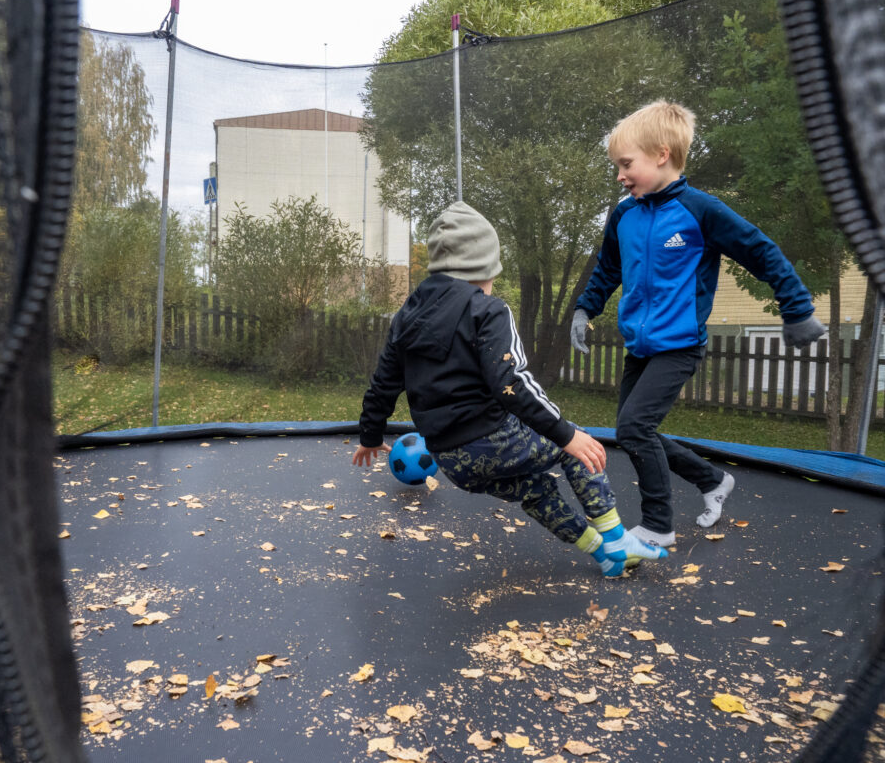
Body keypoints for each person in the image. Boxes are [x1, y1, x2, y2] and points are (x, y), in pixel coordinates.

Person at [353, 201, 667, 577]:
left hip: (451, 460)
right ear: (482, 269)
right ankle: (615, 536)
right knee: (579, 450)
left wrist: (370, 436)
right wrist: (566, 434)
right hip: (493, 439)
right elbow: (511, 382)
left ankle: (603, 554)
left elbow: (384, 382)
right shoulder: (487, 310)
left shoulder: (407, 315)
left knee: (535, 490)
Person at [571, 100, 825, 548]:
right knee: (635, 432)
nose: (620, 176)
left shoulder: (700, 210)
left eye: (626, 164)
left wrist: (797, 308)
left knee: (633, 429)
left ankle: (657, 526)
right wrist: (584, 309)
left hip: (681, 344)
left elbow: (761, 251)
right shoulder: (624, 214)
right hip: (641, 345)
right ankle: (711, 479)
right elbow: (607, 268)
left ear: (661, 154)